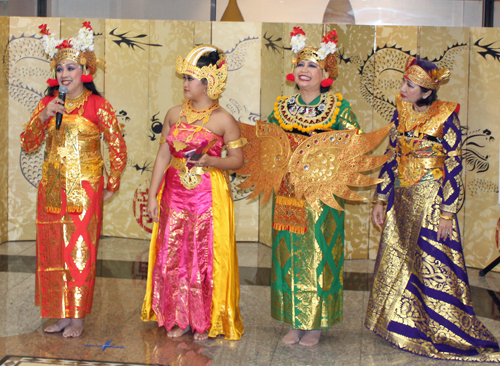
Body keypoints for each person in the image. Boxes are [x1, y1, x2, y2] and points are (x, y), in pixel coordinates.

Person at [366, 57, 500, 361]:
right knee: (398, 260)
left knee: (432, 264)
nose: (402, 89)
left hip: (431, 201)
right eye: (404, 82)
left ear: (426, 92)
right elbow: (390, 157)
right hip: (400, 200)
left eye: (409, 85)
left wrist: (447, 213)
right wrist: (380, 199)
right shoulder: (399, 112)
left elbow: (454, 166)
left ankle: (440, 328)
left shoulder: (446, 115)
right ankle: (400, 327)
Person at [20, 22, 127, 338]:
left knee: (79, 252)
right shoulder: (48, 104)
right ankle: (60, 312)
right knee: (53, 253)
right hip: (52, 190)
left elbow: (117, 145)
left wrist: (111, 185)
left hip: (85, 190)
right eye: (60, 68)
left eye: (71, 67)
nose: (64, 73)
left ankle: (78, 317)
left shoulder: (98, 105)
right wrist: (42, 117)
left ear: (85, 69)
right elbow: (28, 143)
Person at [141, 45, 245, 341]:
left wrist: (212, 161)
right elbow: (163, 156)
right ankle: (179, 316)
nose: (185, 84)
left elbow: (238, 161)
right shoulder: (174, 114)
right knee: (175, 252)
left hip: (208, 194)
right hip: (174, 193)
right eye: (184, 78)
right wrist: (152, 195)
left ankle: (208, 319)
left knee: (205, 254)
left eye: (191, 78)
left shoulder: (224, 119)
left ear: (209, 82)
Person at [268, 27, 362, 347]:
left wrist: (323, 162)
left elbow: (354, 148)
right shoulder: (282, 107)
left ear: (324, 73)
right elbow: (269, 146)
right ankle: (295, 322)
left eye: (312, 65)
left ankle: (317, 323)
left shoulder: (339, 108)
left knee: (319, 255)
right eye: (300, 64)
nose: (304, 70)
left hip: (323, 196)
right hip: (289, 193)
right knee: (289, 255)